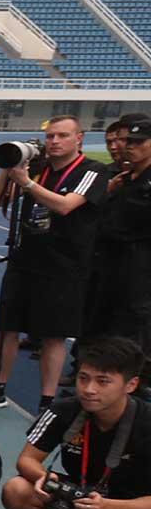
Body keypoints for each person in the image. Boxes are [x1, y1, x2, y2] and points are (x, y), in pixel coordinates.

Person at [5, 335, 151, 509]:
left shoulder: (147, 423)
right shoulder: (62, 410)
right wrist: (44, 477)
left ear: (131, 384)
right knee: (16, 489)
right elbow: (28, 459)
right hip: (77, 492)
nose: (89, 389)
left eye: (103, 381)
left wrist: (106, 506)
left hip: (130, 503)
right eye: (84, 378)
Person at [0, 116, 107, 410]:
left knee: (52, 335)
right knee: (7, 327)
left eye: (62, 135)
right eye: (50, 136)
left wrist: (27, 182)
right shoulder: (38, 169)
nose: (54, 141)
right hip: (25, 259)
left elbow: (66, 206)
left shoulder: (92, 170)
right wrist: (10, 168)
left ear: (79, 139)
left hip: (63, 266)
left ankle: (46, 400)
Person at [83, 113, 151, 354]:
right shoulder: (124, 179)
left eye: (139, 142)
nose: (130, 147)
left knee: (131, 324)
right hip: (109, 261)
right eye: (129, 142)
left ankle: (133, 379)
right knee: (101, 317)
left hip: (138, 265)